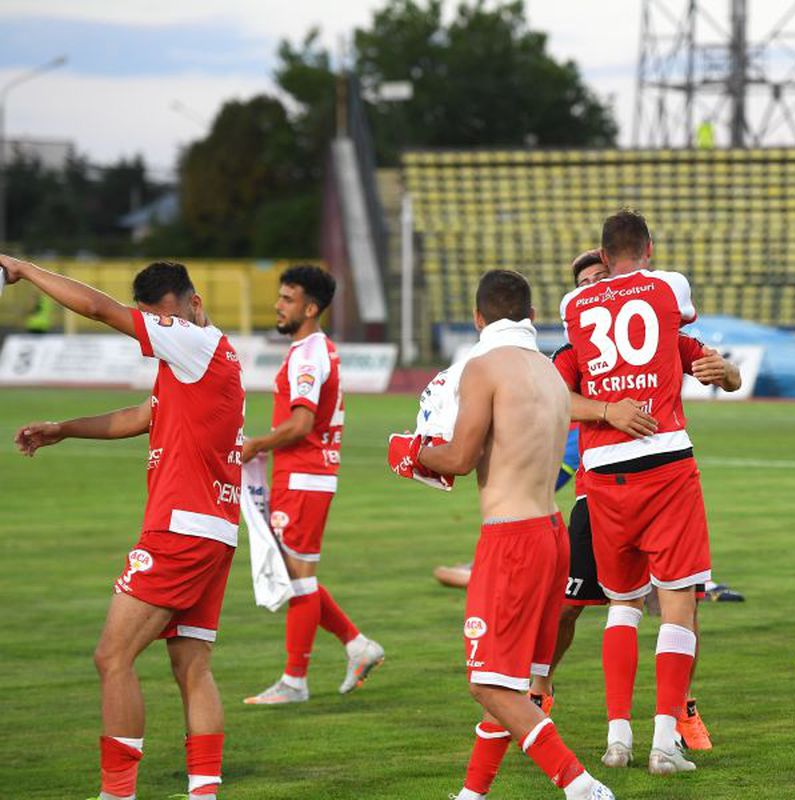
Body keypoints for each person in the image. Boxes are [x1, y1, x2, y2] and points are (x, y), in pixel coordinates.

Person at [6, 256, 241, 800]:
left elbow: (96, 307)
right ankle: (203, 792)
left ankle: (117, 793)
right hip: (214, 529)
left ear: (193, 306)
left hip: (180, 529)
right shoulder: (201, 362)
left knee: (112, 657)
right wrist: (65, 428)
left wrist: (23, 268)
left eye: (166, 319)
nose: (162, 330)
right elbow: (143, 416)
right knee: (193, 667)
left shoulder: (194, 342)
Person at [390, 270, 614, 800]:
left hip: (510, 537)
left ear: (477, 318)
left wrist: (408, 451)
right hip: (551, 531)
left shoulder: (484, 367)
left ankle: (580, 786)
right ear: (531, 316)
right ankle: (473, 794)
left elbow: (460, 459)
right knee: (517, 684)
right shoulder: (549, 371)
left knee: (487, 682)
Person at [534, 249, 742, 754]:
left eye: (602, 278)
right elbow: (554, 403)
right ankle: (541, 687)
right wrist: (608, 410)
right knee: (570, 606)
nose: (598, 287)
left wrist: (725, 372)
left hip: (642, 479)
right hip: (597, 492)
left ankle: (682, 708)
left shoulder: (663, 335)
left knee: (679, 603)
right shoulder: (571, 352)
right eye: (587, 282)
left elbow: (728, 378)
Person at [559, 210, 713, 774]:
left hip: (601, 473)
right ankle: (665, 742)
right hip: (666, 462)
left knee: (622, 605)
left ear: (602, 255)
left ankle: (617, 739)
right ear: (646, 247)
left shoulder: (574, 308)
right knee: (677, 601)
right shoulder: (668, 286)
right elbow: (669, 322)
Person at [241, 265, 384, 705]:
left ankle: (295, 680)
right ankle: (358, 647)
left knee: (298, 580)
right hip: (301, 475)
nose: (278, 306)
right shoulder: (310, 349)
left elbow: (302, 423)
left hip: (304, 475)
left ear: (310, 308)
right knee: (292, 575)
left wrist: (256, 444)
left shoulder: (309, 355)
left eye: (287, 299)